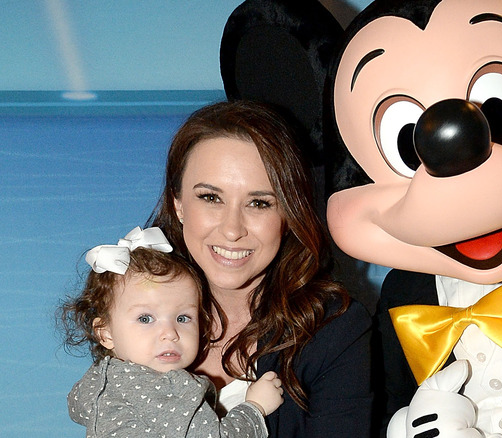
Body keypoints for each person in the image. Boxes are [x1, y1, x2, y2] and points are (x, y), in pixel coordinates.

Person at [147, 101, 373, 437]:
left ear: (288, 215)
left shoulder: (334, 331)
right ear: (178, 204)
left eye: (259, 203)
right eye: (211, 198)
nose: (232, 229)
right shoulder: (137, 304)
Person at [60, 226, 283, 438]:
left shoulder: (99, 381)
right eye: (145, 319)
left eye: (182, 318)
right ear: (105, 333)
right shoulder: (166, 388)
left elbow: (76, 406)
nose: (170, 333)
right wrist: (255, 407)